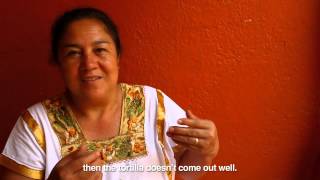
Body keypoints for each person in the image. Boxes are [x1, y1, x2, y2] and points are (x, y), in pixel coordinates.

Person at [0, 7, 219, 180]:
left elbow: (189, 171)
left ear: (117, 56)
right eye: (73, 53)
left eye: (100, 50)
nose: (89, 64)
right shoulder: (35, 125)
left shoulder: (154, 103)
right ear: (58, 62)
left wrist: (206, 150)